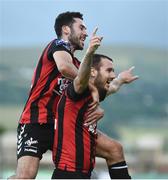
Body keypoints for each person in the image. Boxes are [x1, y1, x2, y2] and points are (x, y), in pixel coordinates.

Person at [9, 11, 138, 179]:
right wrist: (90, 87)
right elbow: (64, 67)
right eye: (81, 27)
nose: (85, 32)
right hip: (36, 122)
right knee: (25, 177)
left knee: (114, 149)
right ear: (66, 29)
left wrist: (120, 80)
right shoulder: (57, 45)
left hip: (64, 128)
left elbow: (103, 88)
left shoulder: (78, 66)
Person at [52, 53, 137, 179]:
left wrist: (121, 79)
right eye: (109, 70)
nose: (112, 75)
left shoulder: (93, 94)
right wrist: (90, 51)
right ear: (92, 72)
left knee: (115, 149)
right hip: (69, 174)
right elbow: (80, 79)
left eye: (113, 71)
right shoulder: (78, 90)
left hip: (83, 173)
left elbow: (111, 88)